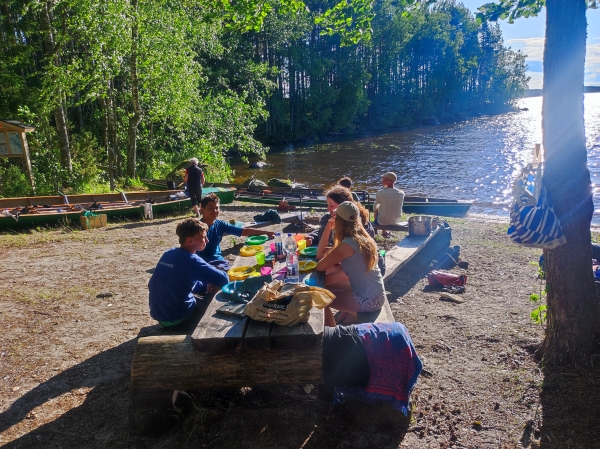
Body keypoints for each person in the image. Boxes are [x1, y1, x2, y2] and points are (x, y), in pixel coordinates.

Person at [148, 218, 229, 332]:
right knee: (215, 303)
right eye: (203, 237)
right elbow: (223, 279)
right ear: (190, 240)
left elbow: (185, 281)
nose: (207, 240)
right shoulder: (190, 259)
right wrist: (213, 280)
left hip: (160, 315)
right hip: (179, 318)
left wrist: (208, 282)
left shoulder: (169, 253)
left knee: (203, 291)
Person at [316, 201, 386, 327]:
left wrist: (328, 227)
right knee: (329, 287)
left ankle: (333, 335)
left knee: (319, 297)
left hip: (369, 300)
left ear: (339, 222)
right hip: (377, 294)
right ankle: (350, 314)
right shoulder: (364, 238)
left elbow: (320, 265)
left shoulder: (348, 244)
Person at [198, 193, 275, 270]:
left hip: (219, 261)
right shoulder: (197, 229)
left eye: (217, 208)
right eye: (210, 208)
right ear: (202, 210)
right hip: (203, 264)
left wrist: (266, 232)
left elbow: (242, 231)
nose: (214, 211)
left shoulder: (220, 224)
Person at [306, 186, 374, 258]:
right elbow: (321, 233)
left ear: (344, 206)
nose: (328, 208)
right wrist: (312, 237)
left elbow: (364, 249)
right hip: (327, 257)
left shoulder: (358, 223)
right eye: (328, 204)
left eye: (331, 205)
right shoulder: (327, 219)